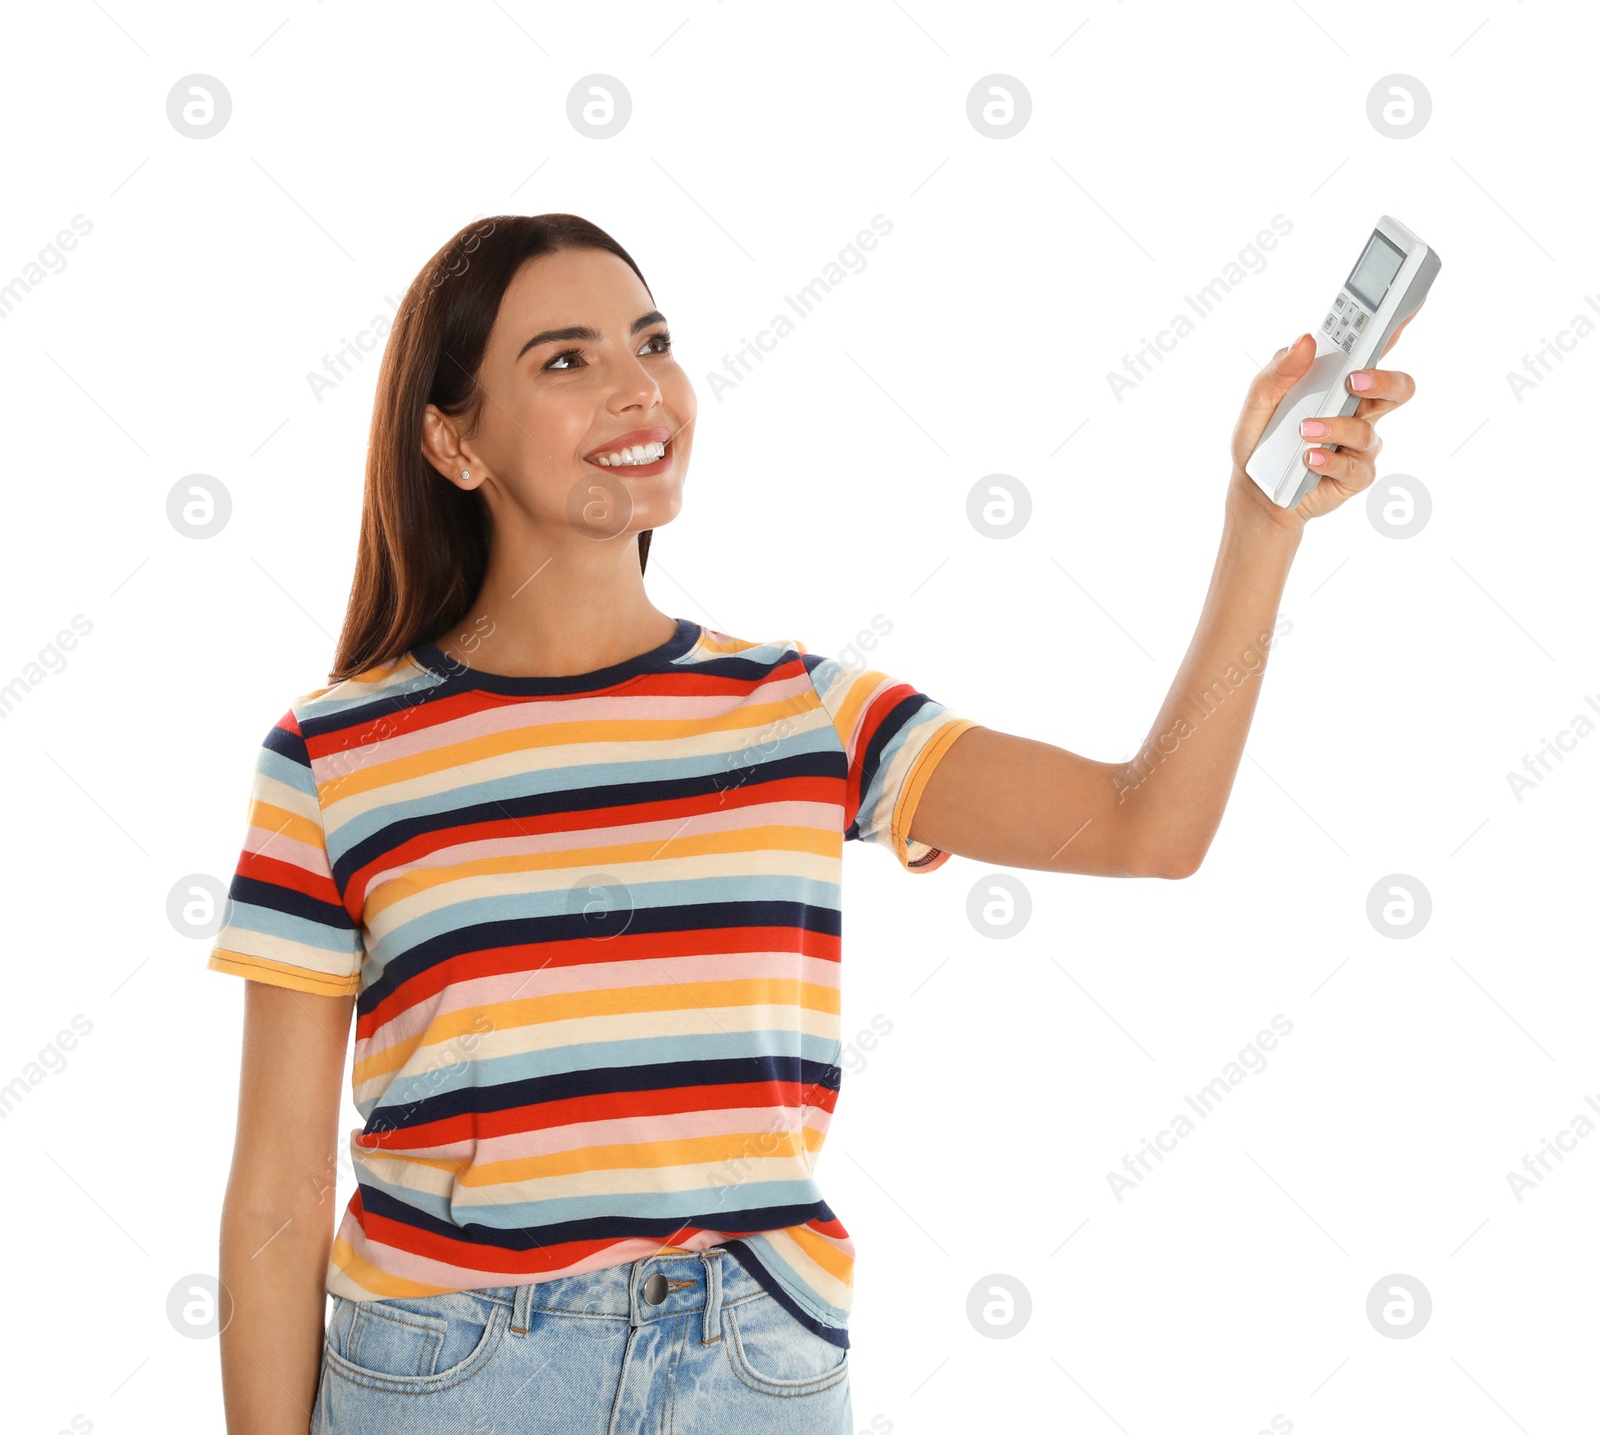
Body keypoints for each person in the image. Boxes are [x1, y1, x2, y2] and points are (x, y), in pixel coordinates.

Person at [208, 213, 1417, 1434]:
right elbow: (278, 1185)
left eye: (653, 340)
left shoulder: (801, 712)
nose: (638, 388)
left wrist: (1261, 525)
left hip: (752, 1369)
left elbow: (1144, 823)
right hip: (454, 1380)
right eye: (564, 360)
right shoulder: (334, 756)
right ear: (451, 440)